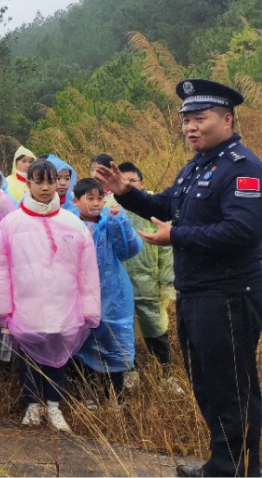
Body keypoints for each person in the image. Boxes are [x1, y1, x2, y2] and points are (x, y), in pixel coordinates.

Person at [93, 79, 262, 478]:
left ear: (227, 119)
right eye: (185, 120)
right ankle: (222, 467)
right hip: (196, 294)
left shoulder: (243, 170)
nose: (190, 127)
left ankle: (240, 471)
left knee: (232, 389)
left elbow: (241, 232)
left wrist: (176, 236)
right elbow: (165, 204)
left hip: (229, 295)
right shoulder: (197, 166)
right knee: (207, 385)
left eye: (199, 118)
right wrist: (124, 191)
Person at [0, 159, 101, 433]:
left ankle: (53, 405)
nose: (46, 187)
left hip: (64, 307)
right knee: (28, 359)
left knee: (58, 358)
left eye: (51, 181)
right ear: (28, 183)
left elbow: (87, 270)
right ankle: (31, 405)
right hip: (26, 308)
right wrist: (2, 311)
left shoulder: (73, 224)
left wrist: (90, 309)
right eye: (39, 181)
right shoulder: (11, 224)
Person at [71, 178, 142, 404]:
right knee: (82, 344)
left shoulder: (109, 223)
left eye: (99, 198)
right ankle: (88, 395)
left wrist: (120, 221)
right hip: (80, 294)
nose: (96, 203)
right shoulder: (69, 225)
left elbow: (129, 250)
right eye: (90, 198)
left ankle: (116, 398)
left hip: (113, 294)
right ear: (76, 201)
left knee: (114, 342)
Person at [117, 162, 179, 389]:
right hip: (120, 282)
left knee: (156, 328)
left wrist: (167, 282)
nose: (128, 184)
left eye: (132, 181)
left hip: (149, 281)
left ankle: (165, 374)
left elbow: (167, 251)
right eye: (123, 181)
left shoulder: (154, 210)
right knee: (123, 328)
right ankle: (129, 370)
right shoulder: (110, 208)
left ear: (142, 184)